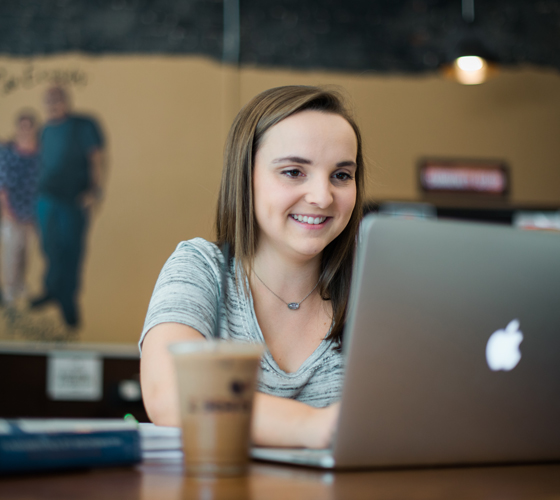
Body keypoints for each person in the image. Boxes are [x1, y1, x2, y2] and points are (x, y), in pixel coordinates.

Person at [139, 86, 365, 448]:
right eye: (294, 171)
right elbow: (169, 395)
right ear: (246, 179)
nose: (323, 197)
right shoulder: (200, 267)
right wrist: (315, 427)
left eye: (341, 175)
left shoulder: (373, 287)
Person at [31, 86, 106, 328]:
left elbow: (97, 158)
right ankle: (52, 290)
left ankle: (68, 301)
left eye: (57, 99)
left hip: (73, 199)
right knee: (49, 247)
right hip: (45, 199)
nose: (53, 104)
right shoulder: (44, 130)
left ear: (66, 101)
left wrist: (94, 191)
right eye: (49, 101)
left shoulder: (84, 125)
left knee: (71, 250)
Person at [0, 111, 40, 306]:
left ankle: (20, 284)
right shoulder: (7, 152)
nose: (25, 130)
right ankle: (9, 288)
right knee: (11, 252)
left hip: (31, 212)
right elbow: (2, 182)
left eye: (29, 126)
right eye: (22, 126)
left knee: (25, 251)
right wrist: (6, 209)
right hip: (11, 210)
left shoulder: (40, 153)